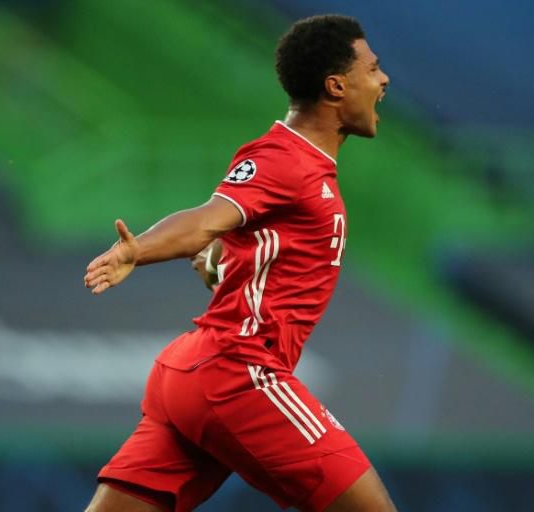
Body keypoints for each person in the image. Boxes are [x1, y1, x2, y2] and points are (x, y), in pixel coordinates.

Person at [83, 14, 394, 512]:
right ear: (337, 86)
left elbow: (234, 248)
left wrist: (222, 268)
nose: (383, 80)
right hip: (239, 373)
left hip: (194, 370)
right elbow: (207, 220)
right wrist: (138, 249)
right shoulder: (285, 158)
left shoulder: (305, 167)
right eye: (373, 69)